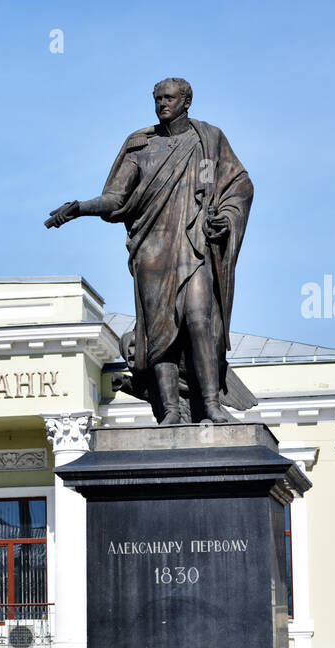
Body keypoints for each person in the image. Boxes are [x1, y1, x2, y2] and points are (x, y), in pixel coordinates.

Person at [47, 78, 254, 425]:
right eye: (157, 99)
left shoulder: (209, 139)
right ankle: (171, 410)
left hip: (194, 247)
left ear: (186, 101)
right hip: (152, 252)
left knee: (200, 319)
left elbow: (240, 184)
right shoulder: (140, 145)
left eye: (169, 98)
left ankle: (211, 405)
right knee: (159, 332)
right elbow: (116, 199)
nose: (162, 104)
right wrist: (81, 207)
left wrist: (227, 217)